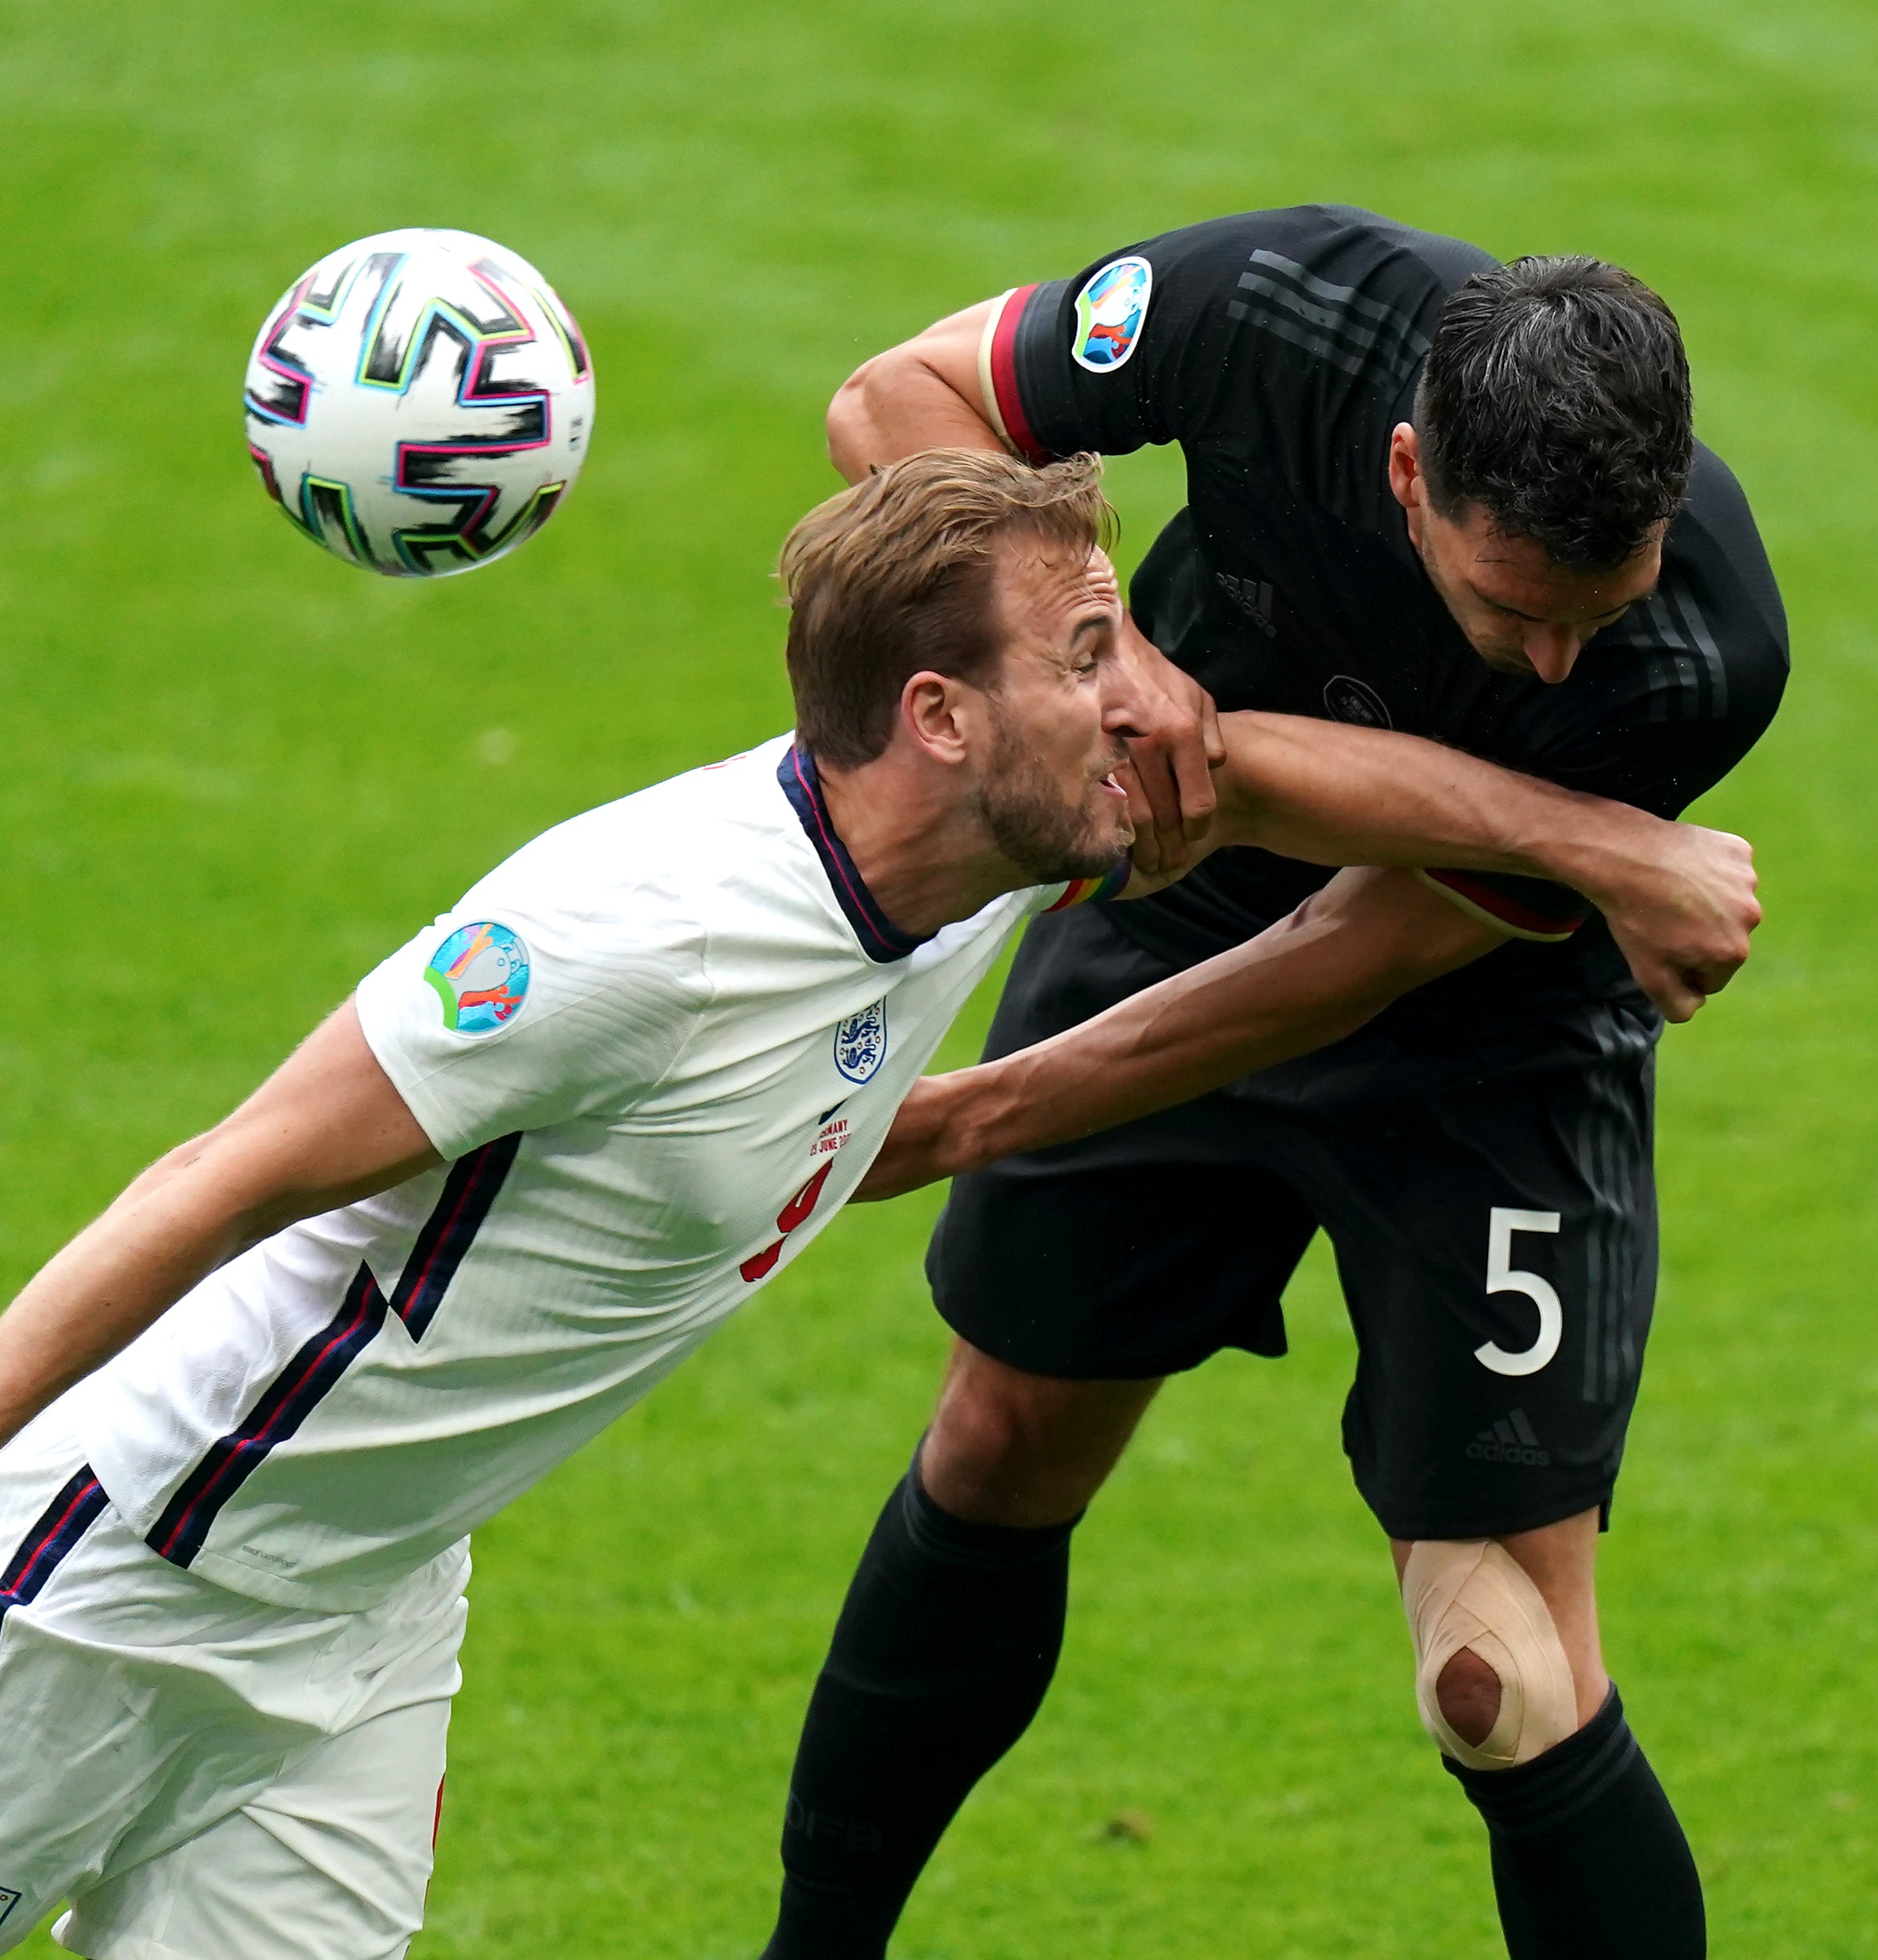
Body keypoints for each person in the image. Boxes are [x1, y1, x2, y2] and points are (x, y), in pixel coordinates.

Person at [0, 447, 1752, 1960]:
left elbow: (1182, 882)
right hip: (119, 1577)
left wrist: (1610, 851)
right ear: (938, 712)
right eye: (1095, 649)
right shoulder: (618, 938)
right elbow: (220, 1175)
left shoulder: (956, 873)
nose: (1154, 697)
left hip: (366, 1618)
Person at [761, 210, 1789, 1960]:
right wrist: (1110, 662)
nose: (1550, 668)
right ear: (1404, 473)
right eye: (1506, 612)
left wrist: (983, 1112)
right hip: (1168, 902)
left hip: (1489, 1036)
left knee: (1502, 1681)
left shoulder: (1698, 646)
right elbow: (896, 402)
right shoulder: (1281, 307)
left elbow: (1359, 952)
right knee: (998, 1445)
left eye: (1587, 623)